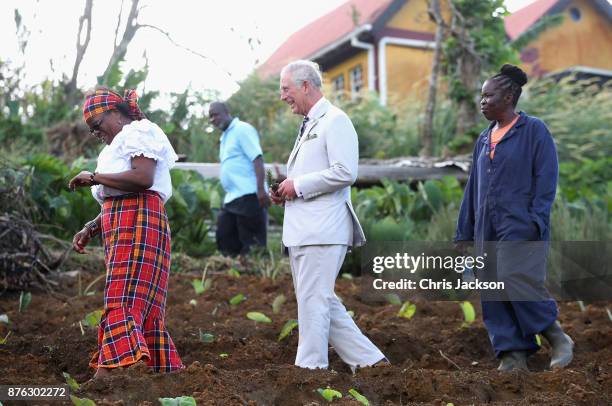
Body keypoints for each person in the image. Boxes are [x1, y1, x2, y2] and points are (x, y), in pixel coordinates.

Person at [455, 64, 573, 371]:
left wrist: (536, 220)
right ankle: (512, 353)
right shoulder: (483, 139)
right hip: (486, 225)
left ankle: (556, 335)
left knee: (512, 276)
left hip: (519, 222)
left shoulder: (534, 131)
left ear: (508, 97)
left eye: (488, 95)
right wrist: (465, 230)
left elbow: (547, 179)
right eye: (481, 97)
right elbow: (473, 187)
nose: (482, 102)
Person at [271, 60, 387, 371]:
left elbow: (345, 172)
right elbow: (313, 175)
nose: (282, 96)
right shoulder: (310, 123)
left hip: (322, 231)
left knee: (313, 303)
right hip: (305, 230)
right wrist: (286, 190)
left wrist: (298, 185)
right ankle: (372, 363)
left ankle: (309, 371)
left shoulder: (335, 120)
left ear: (305, 86)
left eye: (286, 89)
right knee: (322, 301)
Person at [69, 87, 184, 379]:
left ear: (115, 113)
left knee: (123, 298)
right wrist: (91, 227)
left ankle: (109, 376)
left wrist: (93, 177)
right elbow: (116, 195)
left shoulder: (138, 132)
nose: (96, 133)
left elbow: (142, 179)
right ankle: (156, 374)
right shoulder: (116, 144)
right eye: (92, 131)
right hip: (124, 222)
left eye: (97, 126)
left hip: (139, 221)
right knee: (134, 299)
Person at [208, 102, 269, 257]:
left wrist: (260, 190)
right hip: (232, 198)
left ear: (227, 112)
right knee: (225, 237)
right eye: (210, 116)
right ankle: (234, 276)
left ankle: (254, 277)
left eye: (215, 114)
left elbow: (257, 158)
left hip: (249, 195)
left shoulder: (242, 129)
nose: (212, 119)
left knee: (252, 246)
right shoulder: (225, 136)